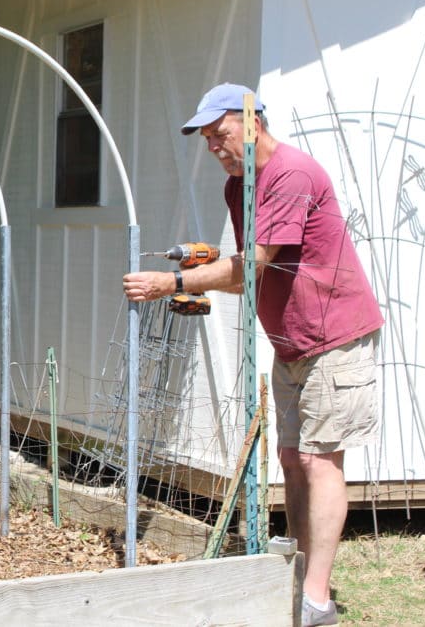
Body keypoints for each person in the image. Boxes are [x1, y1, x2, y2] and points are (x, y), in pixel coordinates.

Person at [122, 83, 383, 627]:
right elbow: (247, 272)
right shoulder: (239, 185)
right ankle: (298, 575)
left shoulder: (291, 175)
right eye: (207, 140)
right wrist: (199, 273)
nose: (214, 147)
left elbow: (252, 264)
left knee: (319, 459)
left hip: (335, 335)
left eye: (221, 134)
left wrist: (174, 282)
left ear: (254, 122)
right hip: (291, 340)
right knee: (291, 459)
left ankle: (314, 599)